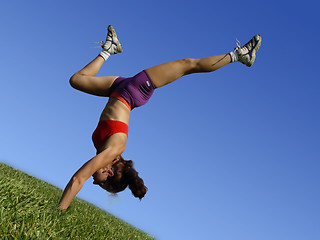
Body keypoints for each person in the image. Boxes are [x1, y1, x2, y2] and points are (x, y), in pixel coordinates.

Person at [59, 25, 262, 211]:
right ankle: (239, 55)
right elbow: (79, 179)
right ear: (109, 172)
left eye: (96, 183)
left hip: (118, 90)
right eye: (100, 183)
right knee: (188, 65)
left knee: (76, 80)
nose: (94, 181)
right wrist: (60, 210)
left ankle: (110, 49)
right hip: (134, 91)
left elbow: (81, 177)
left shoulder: (102, 151)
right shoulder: (113, 150)